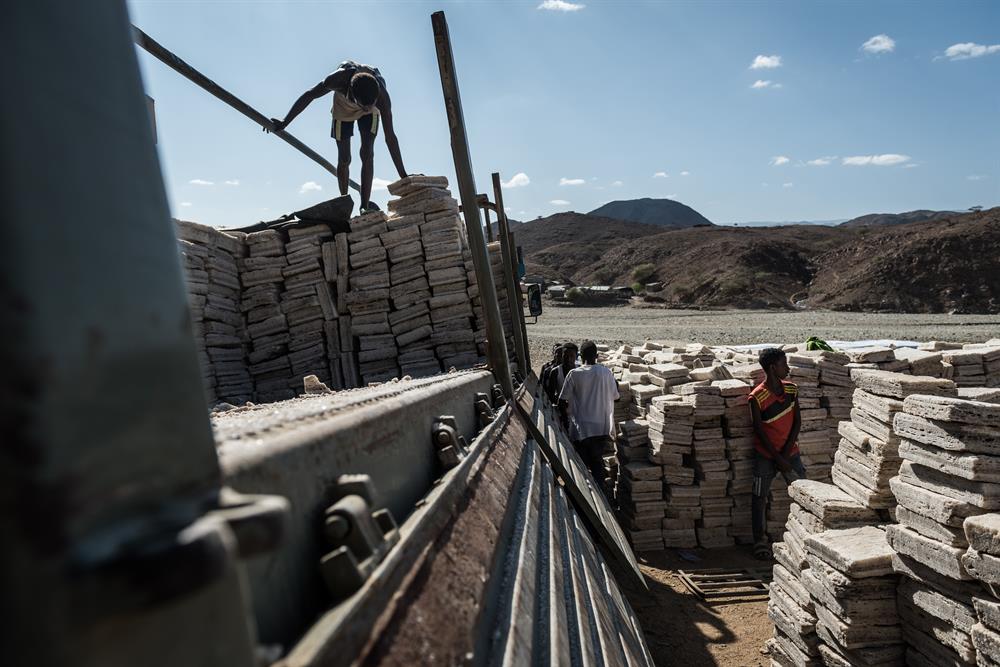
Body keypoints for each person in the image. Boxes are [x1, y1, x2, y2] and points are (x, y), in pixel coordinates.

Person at [266, 61, 408, 214]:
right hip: (343, 109)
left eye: (370, 104)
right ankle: (344, 202)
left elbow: (390, 138)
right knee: (344, 158)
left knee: (367, 153)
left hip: (370, 113)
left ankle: (364, 206)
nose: (366, 108)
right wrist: (285, 121)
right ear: (351, 94)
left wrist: (404, 177)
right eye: (364, 105)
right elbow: (309, 95)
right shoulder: (336, 80)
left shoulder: (381, 98)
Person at [748, 347, 806, 560]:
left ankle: (805, 535)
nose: (788, 368)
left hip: (790, 453)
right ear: (773, 368)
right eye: (784, 364)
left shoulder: (791, 390)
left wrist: (786, 453)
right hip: (765, 455)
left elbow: (797, 421)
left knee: (806, 493)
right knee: (758, 497)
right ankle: (760, 541)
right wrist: (777, 457)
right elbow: (759, 431)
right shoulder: (757, 397)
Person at [558, 341, 619, 490]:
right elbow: (616, 397)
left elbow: (561, 400)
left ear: (580, 356)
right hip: (601, 429)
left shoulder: (574, 374)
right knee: (597, 465)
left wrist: (566, 420)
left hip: (582, 430)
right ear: (597, 356)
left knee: (581, 471)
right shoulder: (606, 372)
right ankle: (602, 501)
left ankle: (583, 504)